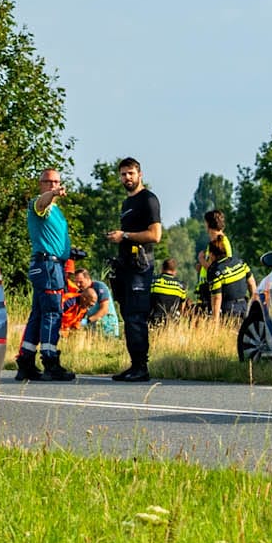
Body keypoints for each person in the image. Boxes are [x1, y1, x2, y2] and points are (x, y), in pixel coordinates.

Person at [104, 156, 162, 382]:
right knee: (128, 316)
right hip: (126, 266)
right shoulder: (126, 204)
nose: (127, 178)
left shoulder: (148, 199)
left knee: (137, 316)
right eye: (123, 174)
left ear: (140, 175)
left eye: (131, 173)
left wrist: (125, 235)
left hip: (141, 266)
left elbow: (155, 235)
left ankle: (142, 368)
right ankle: (134, 365)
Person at [16, 167, 76, 382]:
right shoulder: (40, 205)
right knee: (52, 313)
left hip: (51, 265)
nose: (53, 185)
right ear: (41, 184)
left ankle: (26, 360)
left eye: (56, 182)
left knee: (39, 313)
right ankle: (50, 361)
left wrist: (70, 251)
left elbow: (53, 237)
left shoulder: (57, 213)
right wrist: (52, 194)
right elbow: (42, 203)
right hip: (48, 267)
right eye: (48, 182)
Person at [203, 242, 256, 320]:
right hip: (245, 307)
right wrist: (254, 305)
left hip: (228, 312)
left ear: (211, 254)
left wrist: (215, 320)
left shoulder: (214, 271)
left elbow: (217, 298)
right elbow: (252, 284)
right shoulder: (240, 262)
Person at [148, 256, 188, 324]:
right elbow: (182, 308)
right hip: (172, 323)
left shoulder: (153, 281)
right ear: (175, 271)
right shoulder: (180, 287)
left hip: (154, 320)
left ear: (162, 268)